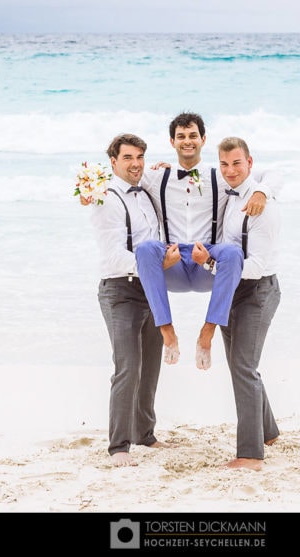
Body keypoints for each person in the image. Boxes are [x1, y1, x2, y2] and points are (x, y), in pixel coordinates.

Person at [134, 112, 275, 370]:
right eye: (181, 136)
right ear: (171, 142)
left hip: (205, 262)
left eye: (193, 136)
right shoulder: (157, 177)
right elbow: (123, 175)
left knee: (233, 253)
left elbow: (270, 174)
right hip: (172, 262)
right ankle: (167, 330)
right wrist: (93, 195)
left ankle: (207, 333)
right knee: (144, 249)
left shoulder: (221, 175)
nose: (187, 141)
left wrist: (261, 192)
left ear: (203, 139)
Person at [89, 133, 176, 467]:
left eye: (139, 156)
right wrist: (153, 264)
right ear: (113, 162)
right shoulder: (105, 200)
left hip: (151, 288)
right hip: (120, 290)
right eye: (128, 158)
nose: (136, 163)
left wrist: (163, 171)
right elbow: (112, 256)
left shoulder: (146, 191)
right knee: (128, 366)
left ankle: (145, 434)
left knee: (150, 366)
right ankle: (119, 447)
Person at [212, 136, 282, 471]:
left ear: (249, 163)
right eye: (224, 164)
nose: (230, 171)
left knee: (243, 367)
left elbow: (255, 265)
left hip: (258, 291)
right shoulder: (229, 193)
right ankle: (268, 431)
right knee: (242, 365)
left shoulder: (260, 207)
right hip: (232, 291)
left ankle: (251, 455)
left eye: (237, 163)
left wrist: (210, 266)